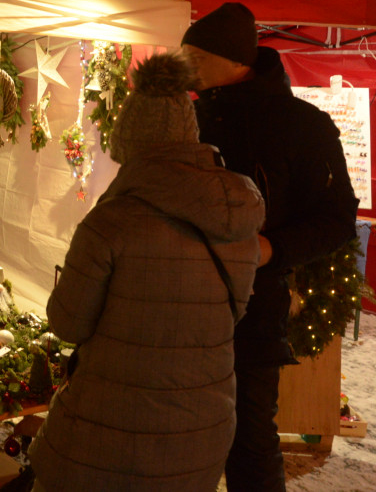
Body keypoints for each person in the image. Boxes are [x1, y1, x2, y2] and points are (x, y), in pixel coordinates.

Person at [29, 53, 265, 492]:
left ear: (131, 141)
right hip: (202, 436)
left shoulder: (112, 222)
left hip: (106, 437)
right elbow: (233, 311)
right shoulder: (237, 217)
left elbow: (67, 323)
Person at [181, 2, 358, 492]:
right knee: (170, 432)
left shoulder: (303, 125)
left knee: (250, 438)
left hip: (253, 313)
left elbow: (337, 218)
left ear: (236, 60)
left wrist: (270, 249)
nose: (184, 64)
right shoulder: (185, 116)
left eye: (195, 54)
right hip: (176, 303)